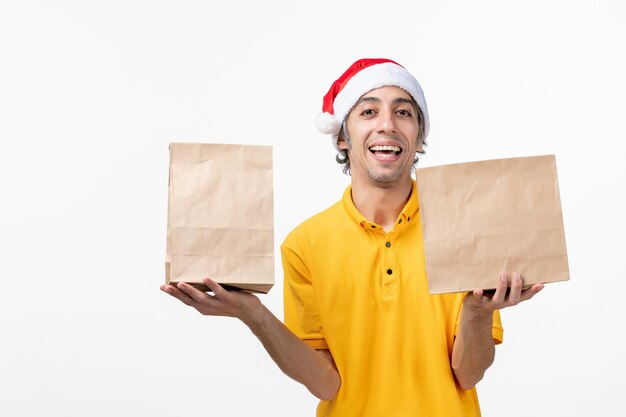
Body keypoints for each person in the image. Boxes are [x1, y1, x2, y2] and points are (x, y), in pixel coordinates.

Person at [160, 58, 544, 416]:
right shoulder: (305, 244)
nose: (387, 124)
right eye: (368, 111)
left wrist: (478, 312)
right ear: (341, 137)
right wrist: (252, 313)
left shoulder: (464, 226)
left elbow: (468, 375)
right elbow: (325, 383)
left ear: (419, 134)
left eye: (404, 112)